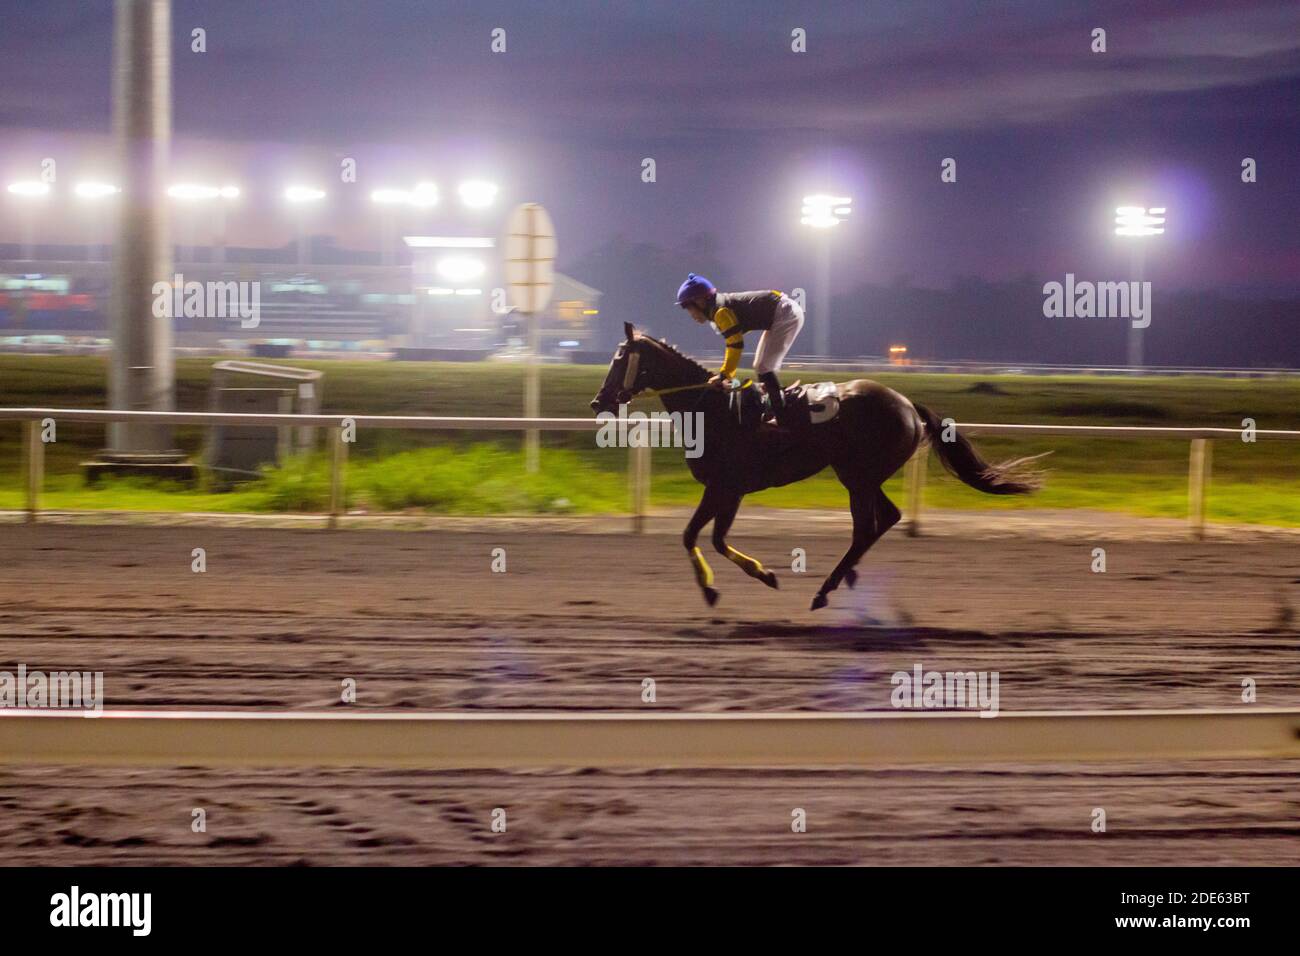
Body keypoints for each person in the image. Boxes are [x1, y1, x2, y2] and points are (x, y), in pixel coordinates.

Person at [674, 273, 806, 425]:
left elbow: (735, 345)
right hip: (783, 311)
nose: (691, 314)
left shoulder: (720, 312)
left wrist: (724, 375)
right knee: (760, 366)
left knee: (764, 367)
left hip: (786, 314)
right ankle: (773, 403)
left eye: (689, 308)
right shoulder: (718, 308)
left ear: (700, 301)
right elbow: (736, 337)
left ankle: (781, 416)